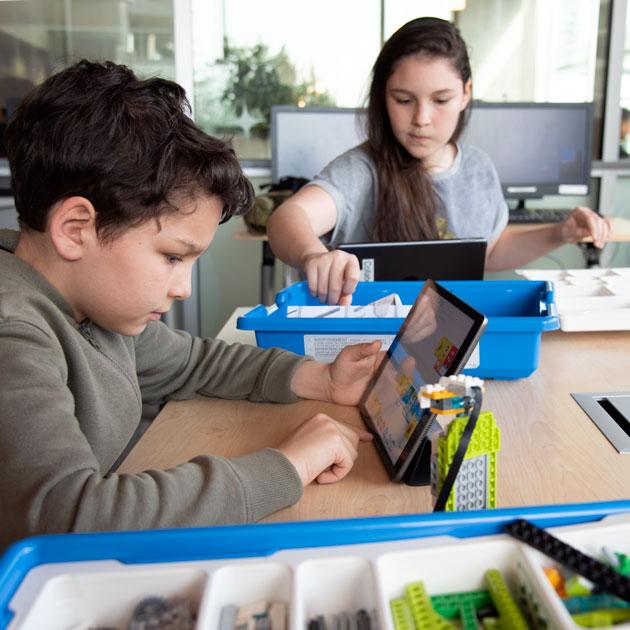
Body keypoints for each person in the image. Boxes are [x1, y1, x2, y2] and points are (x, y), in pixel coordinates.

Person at [0, 60, 384, 549]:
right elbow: (72, 517)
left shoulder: (93, 306)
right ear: (76, 230)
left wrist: (321, 378)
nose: (184, 288)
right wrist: (287, 466)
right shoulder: (13, 332)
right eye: (172, 257)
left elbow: (191, 361)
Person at [267, 17, 611, 305]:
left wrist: (560, 232)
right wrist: (313, 255)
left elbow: (490, 253)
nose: (421, 118)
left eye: (441, 99)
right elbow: (288, 218)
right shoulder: (361, 169)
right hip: (367, 343)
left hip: (450, 340)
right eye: (404, 100)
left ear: (466, 93)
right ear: (382, 97)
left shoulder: (477, 168)